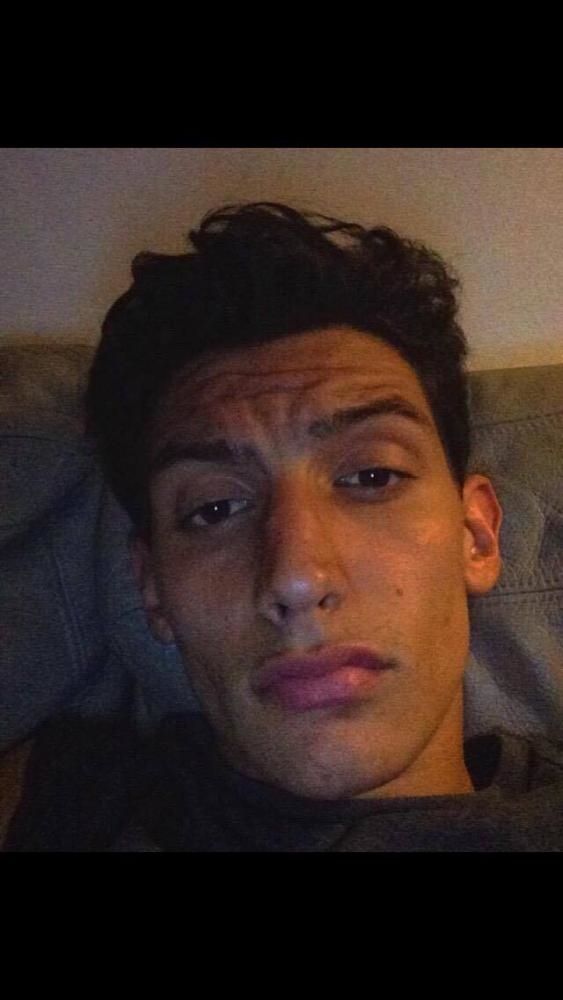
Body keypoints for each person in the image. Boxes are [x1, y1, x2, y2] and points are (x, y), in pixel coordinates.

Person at [6, 202, 563, 851]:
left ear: (477, 535)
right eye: (215, 509)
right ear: (152, 587)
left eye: (371, 476)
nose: (297, 578)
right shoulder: (61, 803)